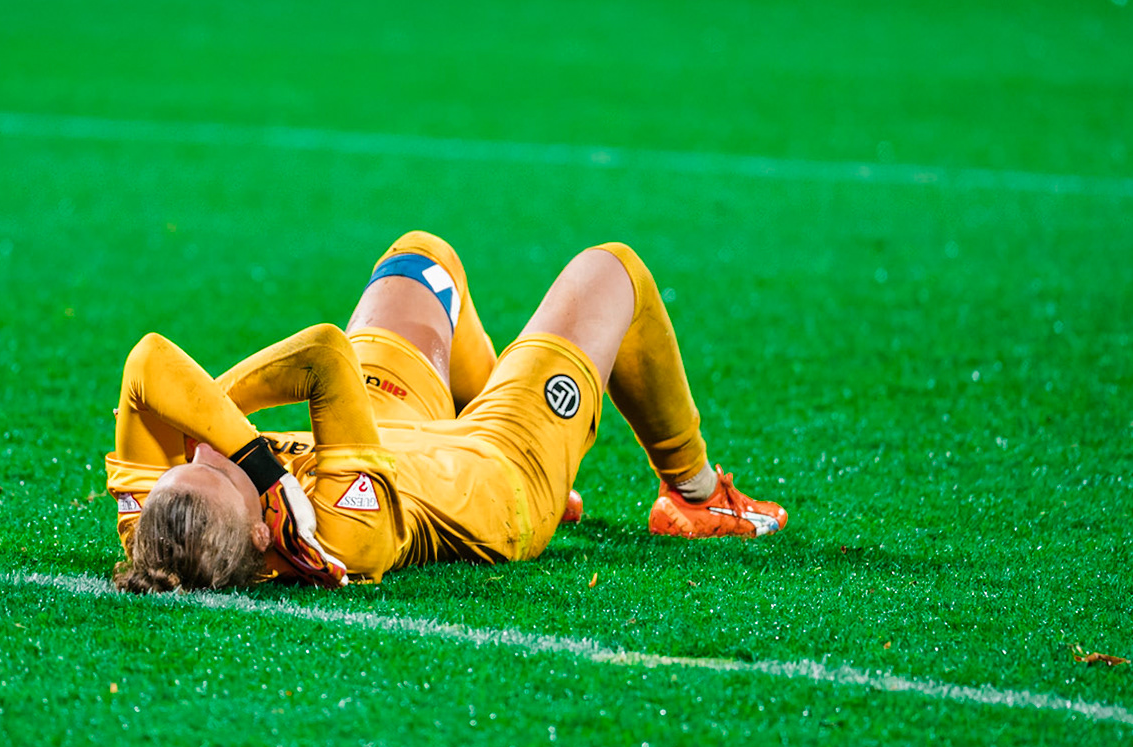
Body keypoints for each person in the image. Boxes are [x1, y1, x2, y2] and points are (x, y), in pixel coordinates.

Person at [105, 231, 786, 592]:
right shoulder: (341, 534)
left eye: (195, 459)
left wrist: (232, 456)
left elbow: (145, 363)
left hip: (380, 433)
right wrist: (243, 442)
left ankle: (512, 407)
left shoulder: (163, 540)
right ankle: (694, 495)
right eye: (228, 474)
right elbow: (322, 355)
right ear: (262, 542)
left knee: (421, 261)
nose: (215, 450)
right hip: (493, 475)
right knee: (613, 270)